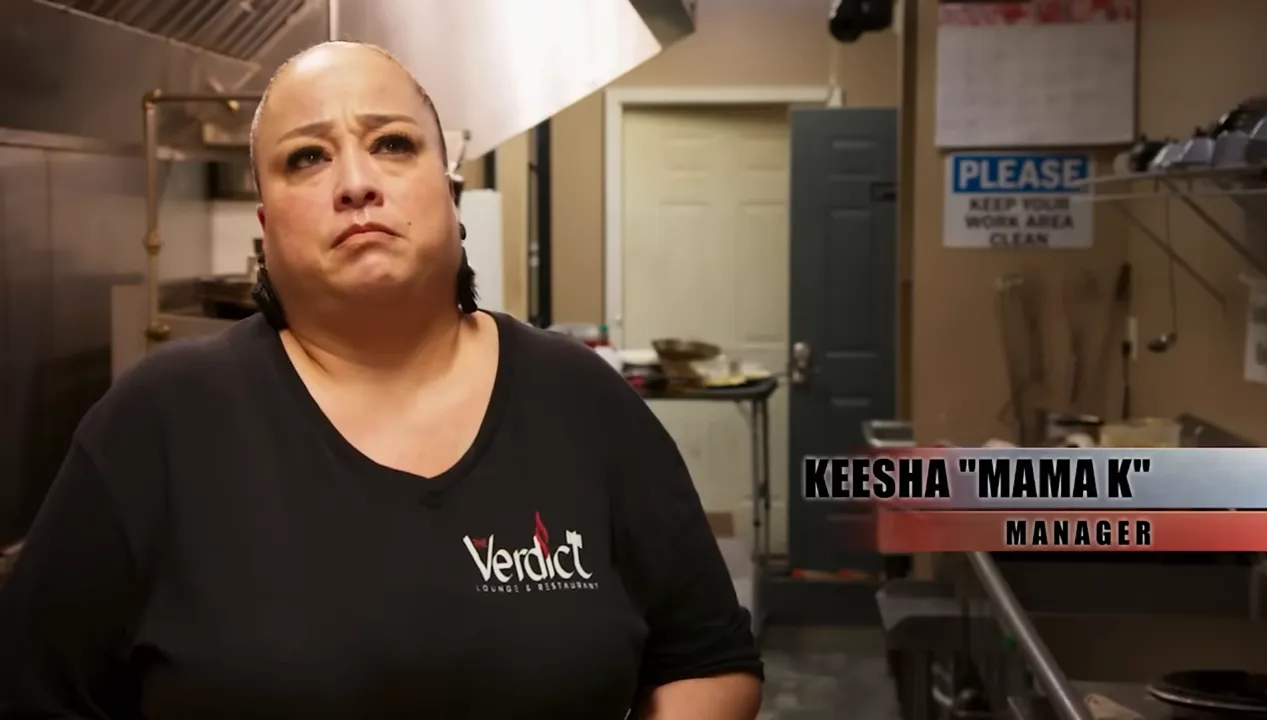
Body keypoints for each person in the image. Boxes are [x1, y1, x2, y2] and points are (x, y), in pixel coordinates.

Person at [0, 41, 763, 718]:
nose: (356, 183)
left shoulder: (582, 401)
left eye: (393, 144)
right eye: (308, 157)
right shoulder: (157, 422)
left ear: (451, 191)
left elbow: (707, 659)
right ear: (265, 226)